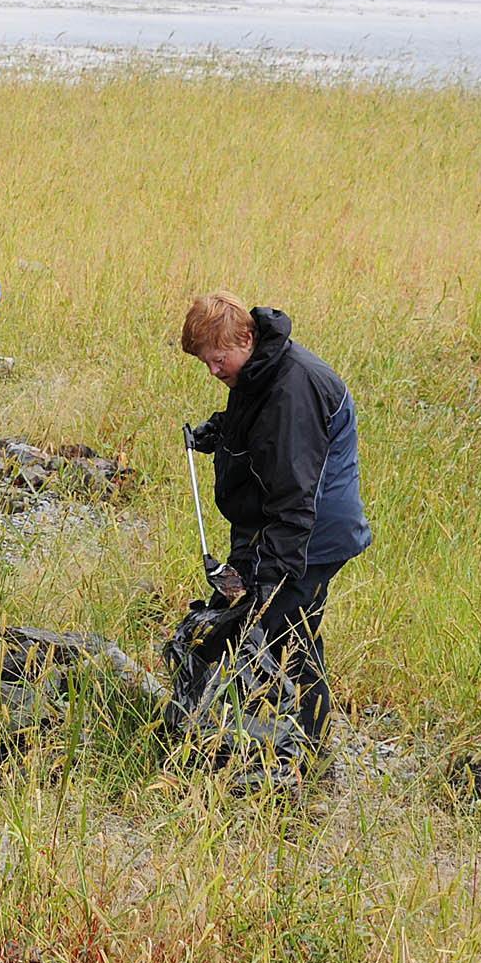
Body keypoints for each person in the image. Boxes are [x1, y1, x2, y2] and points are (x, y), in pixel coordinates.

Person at [181, 292, 371, 788]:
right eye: (206, 363)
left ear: (246, 338)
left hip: (311, 536)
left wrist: (268, 576)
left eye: (217, 360)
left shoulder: (294, 390)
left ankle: (309, 764)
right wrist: (220, 432)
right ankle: (263, 746)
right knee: (274, 629)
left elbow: (293, 494)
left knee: (285, 637)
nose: (213, 371)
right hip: (283, 528)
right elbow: (257, 430)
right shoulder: (259, 371)